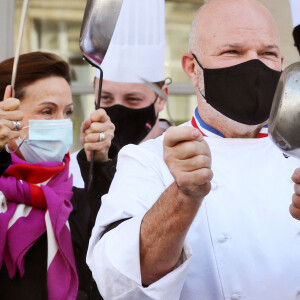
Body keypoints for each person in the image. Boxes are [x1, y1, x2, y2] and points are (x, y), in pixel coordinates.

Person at [87, 0, 300, 299]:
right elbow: (120, 282)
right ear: (191, 68)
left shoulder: (297, 155)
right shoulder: (148, 161)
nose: (255, 66)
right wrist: (183, 194)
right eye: (232, 52)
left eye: (267, 53)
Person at [0, 51, 102, 300]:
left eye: (67, 112)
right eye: (47, 112)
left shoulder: (77, 198)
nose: (61, 123)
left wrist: (101, 166)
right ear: (7, 114)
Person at [70, 0, 169, 211]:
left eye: (133, 99)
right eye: (106, 98)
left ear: (161, 98)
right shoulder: (73, 171)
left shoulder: (181, 162)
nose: (117, 109)